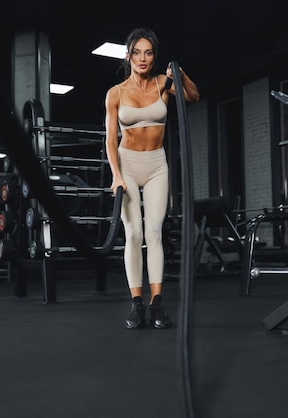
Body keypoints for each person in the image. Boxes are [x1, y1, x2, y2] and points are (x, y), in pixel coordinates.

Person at [104, 28, 200, 329]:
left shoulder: (163, 83)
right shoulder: (116, 92)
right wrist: (116, 175)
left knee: (155, 232)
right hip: (128, 163)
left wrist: (180, 75)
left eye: (148, 53)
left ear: (154, 56)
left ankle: (156, 303)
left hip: (157, 163)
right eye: (137, 52)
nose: (142, 58)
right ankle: (136, 304)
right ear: (128, 56)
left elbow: (193, 97)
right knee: (133, 234)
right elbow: (110, 140)